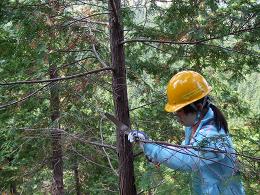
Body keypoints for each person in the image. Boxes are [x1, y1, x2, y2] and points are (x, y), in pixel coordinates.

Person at [128, 71, 245, 195]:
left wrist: (151, 147)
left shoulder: (213, 136)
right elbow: (184, 149)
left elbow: (187, 159)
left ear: (198, 107)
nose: (177, 116)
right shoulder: (195, 124)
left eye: (180, 112)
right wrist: (158, 156)